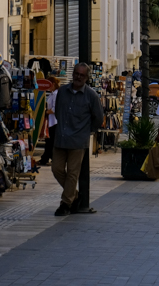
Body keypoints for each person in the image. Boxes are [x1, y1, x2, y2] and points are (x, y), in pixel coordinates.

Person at [52, 63, 104, 216]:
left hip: (77, 141)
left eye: (82, 75)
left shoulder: (91, 96)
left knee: (73, 173)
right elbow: (57, 112)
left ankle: (66, 203)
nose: (78, 77)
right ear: (73, 74)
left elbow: (98, 118)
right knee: (57, 169)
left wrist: (86, 132)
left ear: (87, 78)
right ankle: (75, 195)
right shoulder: (62, 91)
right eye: (76, 74)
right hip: (61, 138)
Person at [38, 76, 60, 166]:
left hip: (54, 121)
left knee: (50, 141)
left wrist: (46, 112)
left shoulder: (55, 94)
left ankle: (47, 158)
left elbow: (55, 109)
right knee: (49, 141)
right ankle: (47, 158)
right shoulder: (52, 94)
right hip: (50, 121)